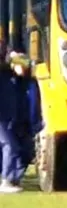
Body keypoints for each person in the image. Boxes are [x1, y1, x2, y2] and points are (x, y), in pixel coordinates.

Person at [0, 47, 25, 194]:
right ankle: (7, 180)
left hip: (7, 111)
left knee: (11, 144)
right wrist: (11, 62)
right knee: (9, 144)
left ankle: (10, 179)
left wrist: (15, 59)